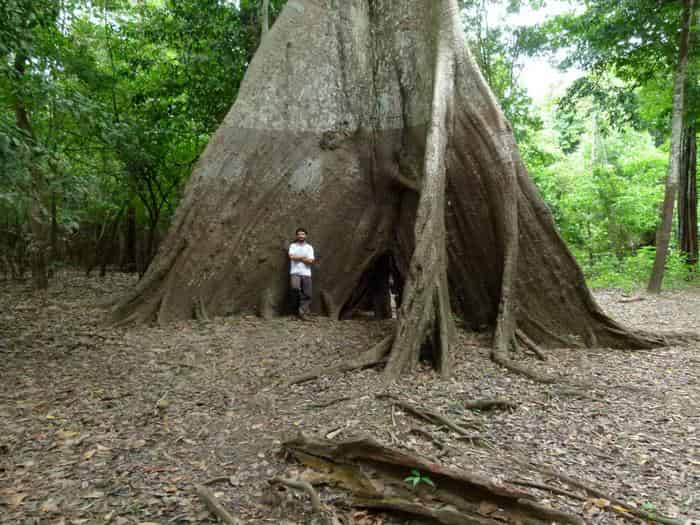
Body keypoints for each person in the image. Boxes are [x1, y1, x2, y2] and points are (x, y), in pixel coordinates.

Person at [288, 227, 315, 319]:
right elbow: (291, 257)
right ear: (296, 236)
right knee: (295, 288)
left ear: (306, 235)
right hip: (295, 272)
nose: (301, 236)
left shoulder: (309, 247)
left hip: (306, 273)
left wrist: (298, 257)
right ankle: (295, 311)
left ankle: (302, 312)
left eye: (302, 234)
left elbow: (311, 261)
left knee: (307, 294)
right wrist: (304, 258)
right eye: (299, 234)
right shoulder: (293, 246)